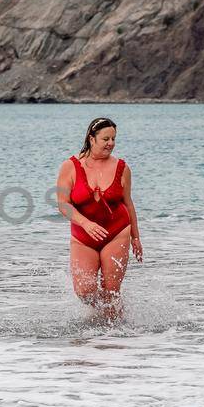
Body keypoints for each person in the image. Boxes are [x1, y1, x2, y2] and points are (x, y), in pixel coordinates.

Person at [56, 116, 142, 316]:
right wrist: (85, 224)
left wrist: (135, 237)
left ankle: (113, 335)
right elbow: (63, 204)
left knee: (111, 291)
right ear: (91, 139)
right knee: (84, 292)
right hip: (83, 236)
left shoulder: (122, 168)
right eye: (106, 139)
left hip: (116, 232)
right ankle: (106, 316)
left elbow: (128, 203)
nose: (111, 143)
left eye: (113, 139)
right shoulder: (70, 166)